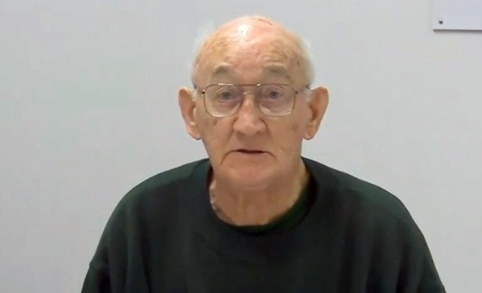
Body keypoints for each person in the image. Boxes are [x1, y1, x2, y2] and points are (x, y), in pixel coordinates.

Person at [81, 15, 446, 293]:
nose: (248, 124)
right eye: (225, 95)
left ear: (313, 113)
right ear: (192, 114)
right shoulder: (144, 221)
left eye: (274, 94)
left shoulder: (378, 231)